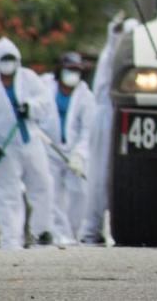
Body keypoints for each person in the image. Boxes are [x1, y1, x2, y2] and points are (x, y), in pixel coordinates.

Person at [0, 37, 56, 249]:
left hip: (30, 141)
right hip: (5, 148)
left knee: (43, 185)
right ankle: (11, 241)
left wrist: (30, 107)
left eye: (11, 59)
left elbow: (45, 101)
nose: (8, 63)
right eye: (4, 59)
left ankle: (42, 233)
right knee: (8, 194)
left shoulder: (29, 78)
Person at [80, 15, 137, 245]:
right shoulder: (111, 54)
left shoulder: (118, 53)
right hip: (106, 118)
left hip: (117, 115)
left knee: (117, 176)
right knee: (100, 176)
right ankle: (91, 230)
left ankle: (106, 227)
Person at [40, 52, 95, 245]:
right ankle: (58, 233)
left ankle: (73, 232)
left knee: (80, 192)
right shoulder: (45, 87)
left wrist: (79, 154)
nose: (72, 74)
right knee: (51, 191)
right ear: (60, 70)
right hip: (48, 148)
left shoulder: (85, 96)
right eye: (69, 70)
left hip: (73, 152)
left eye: (76, 71)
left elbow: (87, 130)